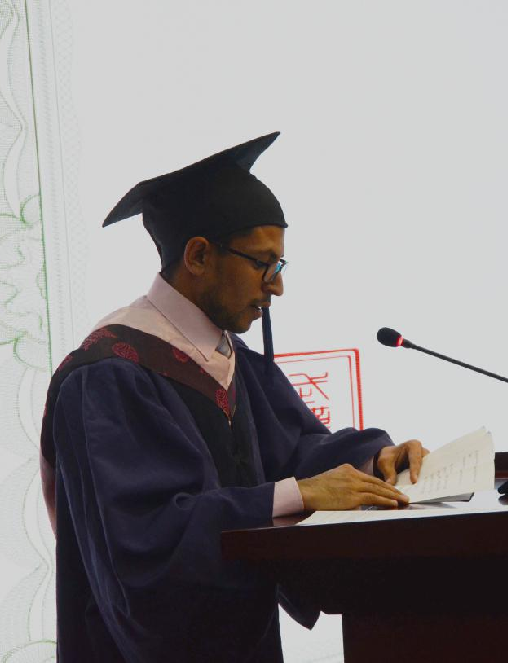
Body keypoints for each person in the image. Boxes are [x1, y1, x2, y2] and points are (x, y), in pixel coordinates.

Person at [39, 132, 428, 662]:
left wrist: (373, 462)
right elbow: (146, 543)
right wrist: (298, 495)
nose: (276, 286)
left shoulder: (227, 357)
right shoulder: (109, 375)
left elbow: (294, 452)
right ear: (199, 255)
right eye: (263, 264)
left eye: (280, 266)